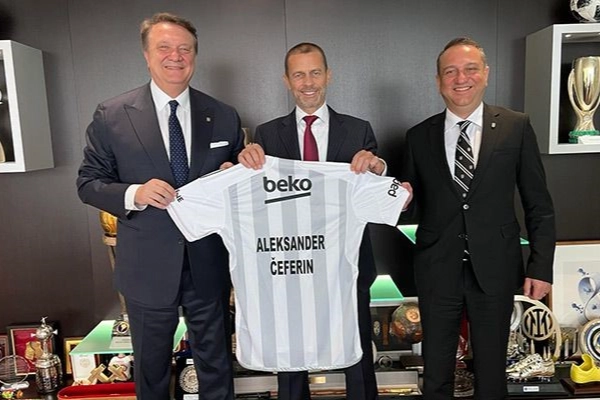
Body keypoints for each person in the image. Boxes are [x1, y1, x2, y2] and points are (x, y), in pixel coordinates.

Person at [77, 12, 244, 400]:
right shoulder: (112, 115)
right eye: (164, 47)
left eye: (185, 48)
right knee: (151, 373)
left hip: (208, 264)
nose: (176, 56)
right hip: (147, 268)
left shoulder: (223, 115)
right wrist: (135, 193)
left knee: (217, 367)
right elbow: (88, 183)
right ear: (147, 55)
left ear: (195, 55)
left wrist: (236, 170)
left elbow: (237, 176)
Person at [239, 42, 412, 400]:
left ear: (328, 75)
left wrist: (379, 168)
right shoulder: (267, 134)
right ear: (287, 80)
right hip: (291, 262)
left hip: (346, 265)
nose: (308, 83)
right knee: (290, 356)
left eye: (315, 72)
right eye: (299, 74)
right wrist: (244, 161)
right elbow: (257, 196)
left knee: (356, 348)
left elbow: (375, 186)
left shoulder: (358, 130)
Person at [401, 37, 556, 400]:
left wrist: (541, 267)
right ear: (438, 80)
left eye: (470, 69)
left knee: (491, 376)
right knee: (436, 375)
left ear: (485, 74)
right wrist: (399, 199)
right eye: (450, 71)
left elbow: (539, 205)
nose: (461, 78)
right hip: (437, 270)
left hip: (496, 268)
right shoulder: (418, 136)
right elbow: (412, 204)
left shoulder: (516, 126)